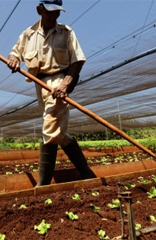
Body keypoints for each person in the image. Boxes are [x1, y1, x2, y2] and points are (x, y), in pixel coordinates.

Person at [7, 0, 96, 186]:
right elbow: (15, 53)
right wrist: (13, 59)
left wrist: (65, 85)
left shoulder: (66, 32)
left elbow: (78, 60)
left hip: (58, 82)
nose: (53, 16)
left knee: (49, 127)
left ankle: (43, 184)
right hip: (39, 83)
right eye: (49, 12)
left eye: (57, 12)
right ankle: (86, 172)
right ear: (39, 10)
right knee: (57, 133)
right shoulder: (28, 34)